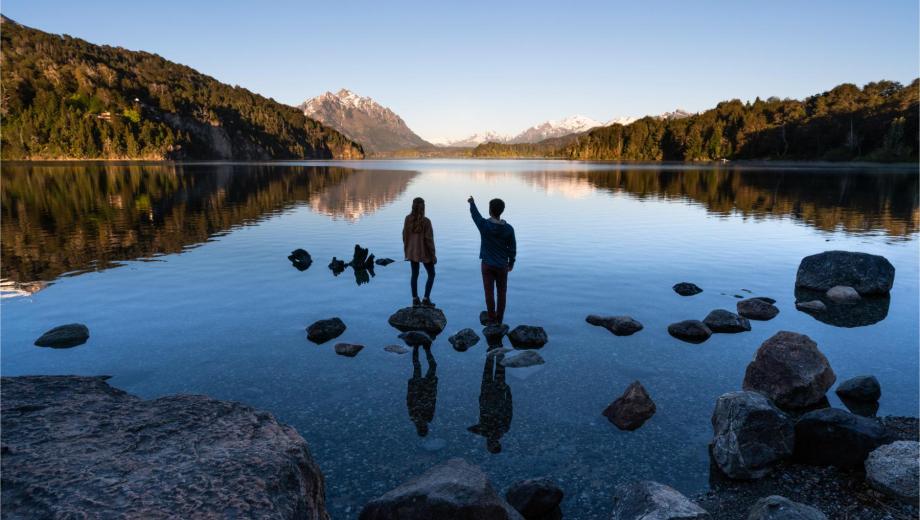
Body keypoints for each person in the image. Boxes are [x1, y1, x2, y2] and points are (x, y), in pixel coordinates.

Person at [468, 196, 516, 325]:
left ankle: (491, 318)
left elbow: (475, 216)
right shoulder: (509, 229)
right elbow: (512, 249)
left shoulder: (484, 225)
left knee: (489, 292)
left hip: (487, 265)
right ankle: (499, 320)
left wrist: (472, 203)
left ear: (490, 210)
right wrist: (511, 263)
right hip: (502, 265)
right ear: (502, 211)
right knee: (502, 293)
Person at [467, 345, 513, 453]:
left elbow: (509, 411)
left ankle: (494, 352)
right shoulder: (498, 430)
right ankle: (496, 352)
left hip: (488, 398)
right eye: (493, 444)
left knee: (491, 372)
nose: (491, 442)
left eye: (490, 444)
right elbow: (509, 410)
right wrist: (509, 394)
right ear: (497, 443)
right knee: (495, 372)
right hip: (494, 398)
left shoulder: (494, 431)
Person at [403, 197, 436, 307]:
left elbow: (404, 236)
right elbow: (429, 240)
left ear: (413, 206)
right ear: (423, 207)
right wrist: (433, 255)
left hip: (412, 252)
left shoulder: (407, 219)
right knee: (431, 274)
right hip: (425, 252)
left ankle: (415, 299)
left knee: (414, 274)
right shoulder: (426, 222)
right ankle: (426, 299)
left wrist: (407, 249)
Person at [406, 344, 438, 437]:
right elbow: (433, 401)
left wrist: (411, 386)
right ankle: (425, 348)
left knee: (419, 366)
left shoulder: (415, 416)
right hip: (426, 388)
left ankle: (418, 347)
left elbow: (409, 400)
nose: (425, 425)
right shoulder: (426, 417)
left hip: (419, 388)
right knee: (426, 366)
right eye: (425, 427)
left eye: (423, 427)